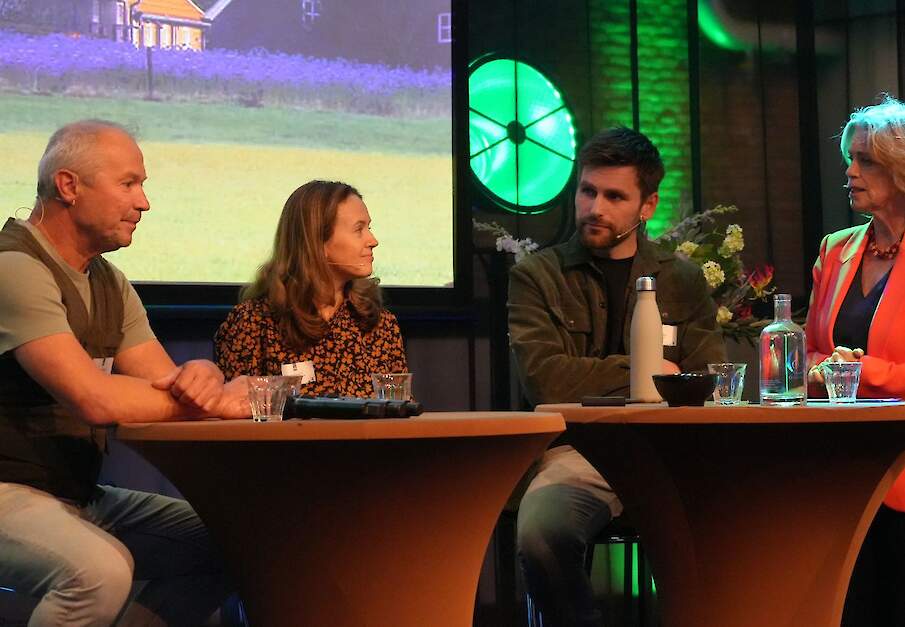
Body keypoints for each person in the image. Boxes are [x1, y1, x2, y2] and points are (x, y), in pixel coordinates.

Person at [0, 119, 250, 626]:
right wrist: (217, 401)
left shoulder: (110, 283)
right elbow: (94, 399)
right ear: (69, 186)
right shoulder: (14, 268)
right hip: (7, 488)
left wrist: (203, 375)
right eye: (129, 184)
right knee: (98, 573)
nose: (144, 203)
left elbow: (166, 384)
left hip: (74, 494)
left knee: (240, 543)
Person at [509, 127, 726, 627]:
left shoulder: (682, 279)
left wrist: (626, 379)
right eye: (587, 191)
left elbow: (708, 379)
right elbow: (545, 380)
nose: (595, 208)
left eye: (614, 196)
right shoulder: (538, 276)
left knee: (744, 523)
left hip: (671, 454)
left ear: (647, 206)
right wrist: (648, 374)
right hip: (577, 453)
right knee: (541, 533)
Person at [805, 95, 905, 626]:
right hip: (836, 469)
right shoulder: (835, 249)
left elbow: (848, 366)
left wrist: (860, 372)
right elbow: (807, 352)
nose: (849, 172)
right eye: (850, 158)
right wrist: (824, 369)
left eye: (865, 160)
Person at [215, 180, 407, 396]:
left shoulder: (380, 324)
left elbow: (400, 406)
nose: (373, 240)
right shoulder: (253, 323)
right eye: (358, 229)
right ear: (317, 241)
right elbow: (230, 410)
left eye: (368, 228)